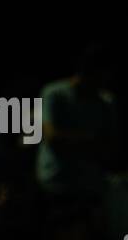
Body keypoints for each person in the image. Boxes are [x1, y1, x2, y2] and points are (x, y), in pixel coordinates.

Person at [36, 43, 118, 200]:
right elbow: (52, 137)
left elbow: (112, 145)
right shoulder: (54, 94)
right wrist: (92, 140)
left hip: (90, 184)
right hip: (55, 182)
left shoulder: (106, 102)